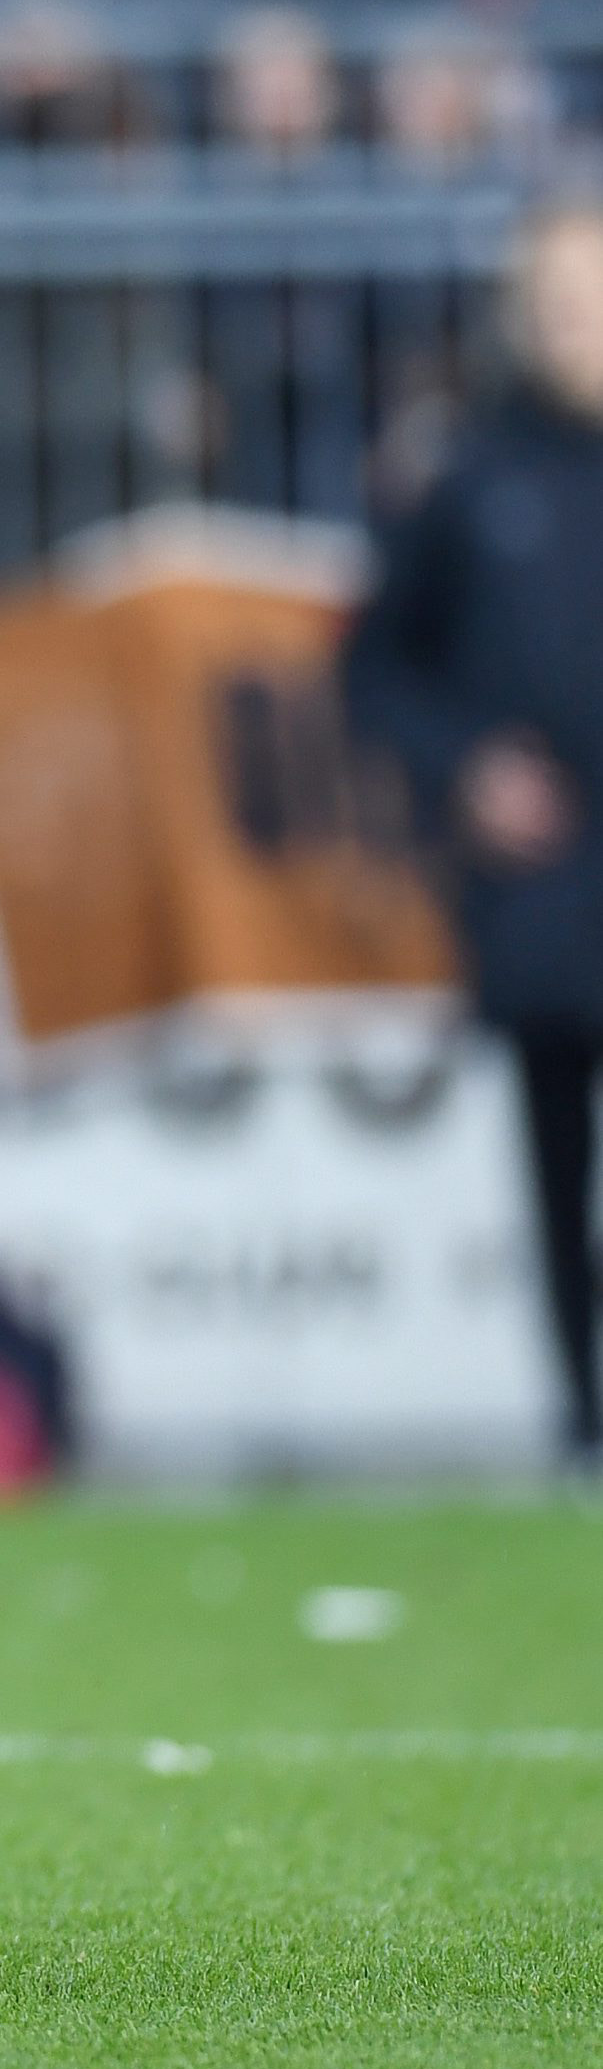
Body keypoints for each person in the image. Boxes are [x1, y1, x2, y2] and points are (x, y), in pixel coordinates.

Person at [345, 198, 603, 1473]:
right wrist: (467, 772)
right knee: (558, 1159)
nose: (577, 325)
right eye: (557, 300)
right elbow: (377, 666)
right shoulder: (474, 477)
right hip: (546, 888)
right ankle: (580, 1417)